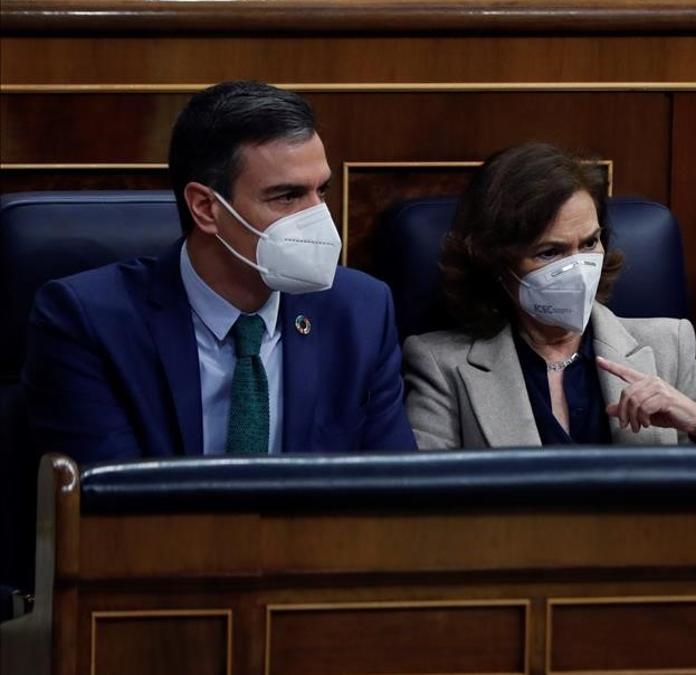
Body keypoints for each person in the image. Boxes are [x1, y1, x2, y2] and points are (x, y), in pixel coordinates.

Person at [23, 81, 417, 462]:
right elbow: (111, 510)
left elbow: (393, 498)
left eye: (322, 191)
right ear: (206, 208)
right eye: (287, 196)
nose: (316, 218)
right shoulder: (89, 322)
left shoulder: (360, 312)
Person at [403, 142, 696, 448]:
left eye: (589, 243)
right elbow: (422, 504)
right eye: (550, 252)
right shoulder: (441, 365)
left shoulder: (668, 346)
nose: (578, 267)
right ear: (496, 261)